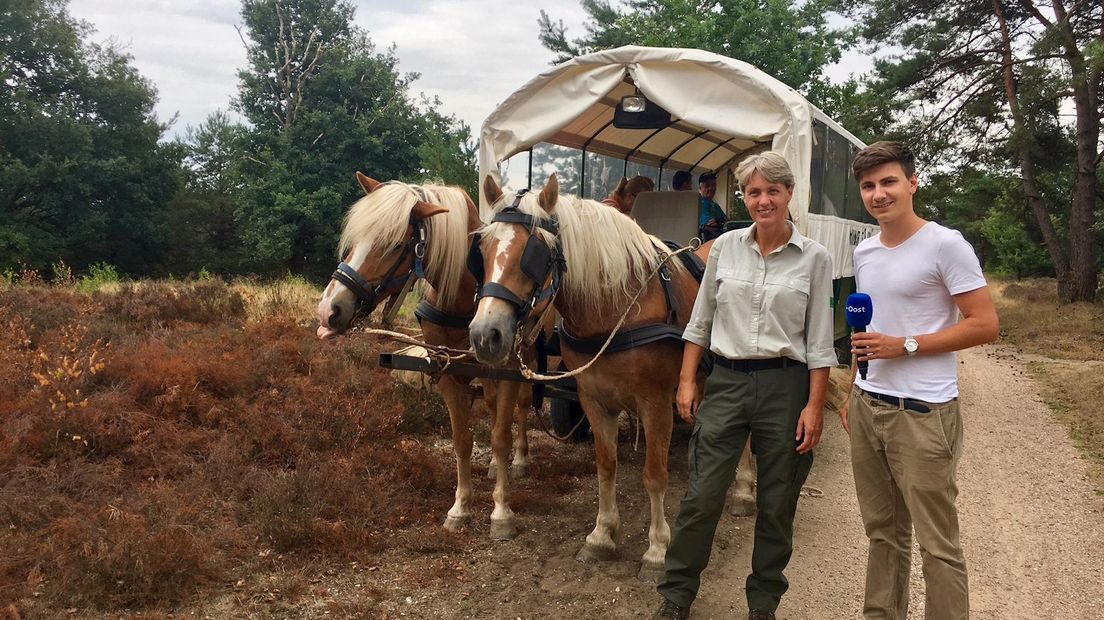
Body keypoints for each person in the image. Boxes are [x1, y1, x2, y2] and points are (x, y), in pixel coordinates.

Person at [653, 152, 837, 620]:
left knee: (777, 502)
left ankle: (763, 603)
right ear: (744, 197)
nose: (763, 200)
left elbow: (819, 344)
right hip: (729, 384)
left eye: (773, 191)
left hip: (785, 387)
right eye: (754, 192)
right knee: (701, 497)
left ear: (789, 193)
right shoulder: (725, 248)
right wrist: (687, 380)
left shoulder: (815, 259)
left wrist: (814, 407)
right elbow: (700, 323)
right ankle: (676, 595)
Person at [841, 141, 999, 620]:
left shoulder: (945, 243)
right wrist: (854, 388)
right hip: (870, 407)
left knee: (938, 545)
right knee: (883, 534)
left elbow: (985, 323)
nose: (878, 193)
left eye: (888, 182)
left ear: (912, 183)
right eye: (868, 186)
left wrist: (905, 344)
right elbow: (865, 331)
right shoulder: (864, 251)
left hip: (924, 413)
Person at [697, 171, 727, 240]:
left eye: (713, 185)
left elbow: (727, 220)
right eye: (707, 186)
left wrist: (720, 221)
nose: (711, 188)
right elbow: (709, 224)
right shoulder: (698, 204)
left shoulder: (715, 205)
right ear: (700, 189)